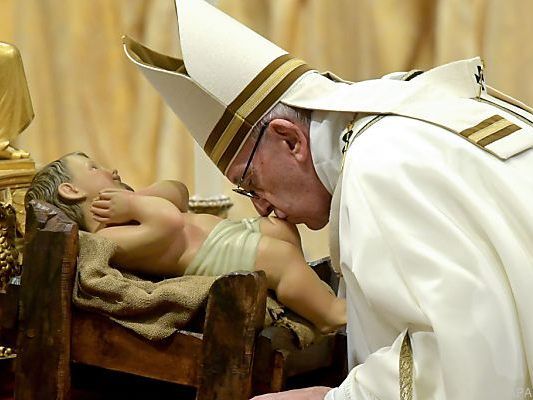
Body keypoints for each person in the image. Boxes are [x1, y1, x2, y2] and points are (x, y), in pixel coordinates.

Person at [122, 1, 533, 399]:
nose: (260, 207)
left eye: (250, 182)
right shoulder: (410, 118)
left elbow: (463, 356)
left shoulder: (378, 165)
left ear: (290, 139)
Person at [24, 152, 346, 334]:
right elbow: (169, 222)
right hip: (212, 256)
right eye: (94, 168)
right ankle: (329, 314)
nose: (111, 168)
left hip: (228, 234)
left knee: (282, 230)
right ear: (71, 190)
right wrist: (135, 206)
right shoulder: (107, 237)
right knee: (282, 260)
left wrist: (135, 197)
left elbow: (177, 192)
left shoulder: (130, 206)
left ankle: (304, 299)